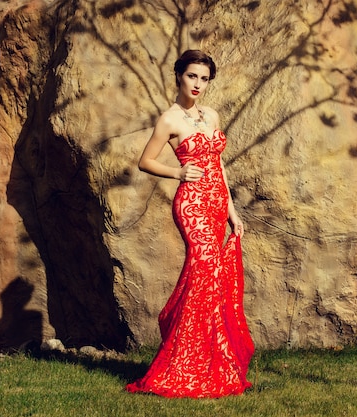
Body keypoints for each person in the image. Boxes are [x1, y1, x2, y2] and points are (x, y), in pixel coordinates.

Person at [126, 50, 254, 398]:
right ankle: (181, 364)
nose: (197, 84)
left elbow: (218, 166)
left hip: (215, 202)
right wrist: (178, 172)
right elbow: (145, 161)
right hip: (192, 204)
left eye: (204, 78)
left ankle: (210, 361)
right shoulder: (169, 120)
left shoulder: (210, 114)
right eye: (191, 76)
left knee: (211, 281)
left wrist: (232, 211)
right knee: (204, 273)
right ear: (178, 76)